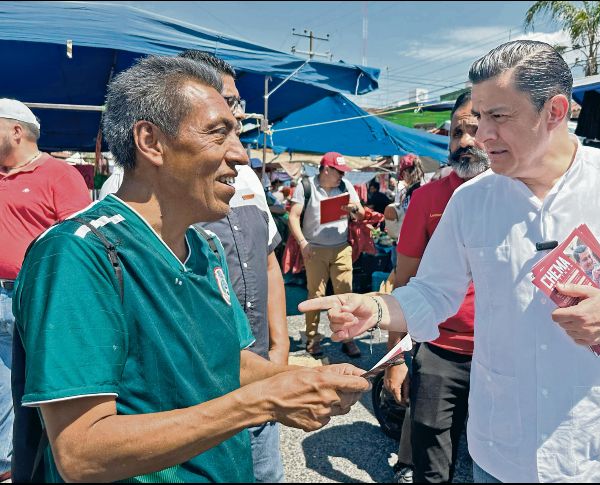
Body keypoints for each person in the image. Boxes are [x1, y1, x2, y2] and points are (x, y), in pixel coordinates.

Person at [299, 40, 600, 483]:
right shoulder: (471, 201)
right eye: (478, 117)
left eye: (498, 116)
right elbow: (434, 292)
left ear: (555, 111)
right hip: (502, 452)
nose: (480, 136)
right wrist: (378, 309)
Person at [12, 55, 368, 483]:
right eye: (219, 133)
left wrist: (304, 379)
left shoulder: (206, 248)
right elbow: (81, 452)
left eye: (238, 133)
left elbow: (223, 362)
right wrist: (264, 402)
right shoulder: (77, 254)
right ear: (151, 142)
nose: (240, 154)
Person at [178, 49, 289, 483]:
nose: (236, 115)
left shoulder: (245, 177)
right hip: (196, 390)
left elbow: (268, 262)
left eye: (237, 105)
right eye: (226, 102)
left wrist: (280, 349)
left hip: (258, 367)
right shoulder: (134, 199)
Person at [386, 91, 489, 483]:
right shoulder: (427, 198)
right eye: (455, 132)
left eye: (474, 130)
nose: (463, 141)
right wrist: (396, 359)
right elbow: (404, 282)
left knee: (496, 464)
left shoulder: (519, 196)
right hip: (440, 354)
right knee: (431, 468)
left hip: (500, 355)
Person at [0, 99, 91, 481]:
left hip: (34, 296)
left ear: (16, 131)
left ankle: (28, 463)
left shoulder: (60, 174)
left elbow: (77, 241)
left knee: (33, 383)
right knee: (4, 386)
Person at [287, 152, 366, 357]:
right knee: (316, 295)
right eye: (339, 171)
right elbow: (293, 217)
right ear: (326, 170)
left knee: (346, 296)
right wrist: (303, 243)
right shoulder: (306, 186)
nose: (342, 175)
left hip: (341, 248)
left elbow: (361, 214)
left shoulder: (346, 186)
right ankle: (312, 339)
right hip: (315, 249)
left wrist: (354, 209)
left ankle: (347, 337)